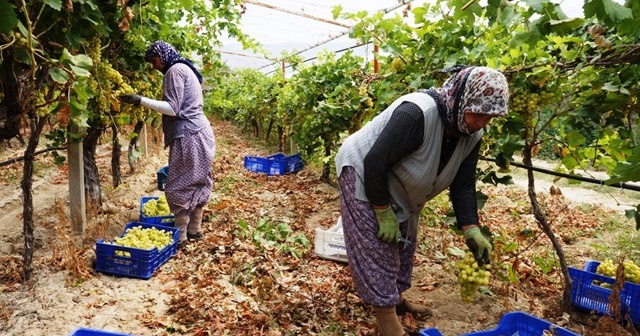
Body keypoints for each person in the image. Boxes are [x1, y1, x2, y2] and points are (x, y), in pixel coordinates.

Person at [334, 66, 509, 336]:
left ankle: (398, 300)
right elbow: (375, 161)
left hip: (399, 183)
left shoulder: (471, 134)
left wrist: (471, 228)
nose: (481, 122)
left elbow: (463, 183)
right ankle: (387, 318)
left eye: (490, 117)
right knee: (378, 243)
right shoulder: (416, 114)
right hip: (362, 170)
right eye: (478, 112)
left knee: (404, 240)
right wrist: (381, 210)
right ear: (462, 97)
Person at [120, 40, 216, 247]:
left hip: (189, 135)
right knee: (198, 180)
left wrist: (141, 100)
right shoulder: (185, 68)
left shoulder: (174, 71)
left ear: (162, 56)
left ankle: (180, 237)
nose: (153, 67)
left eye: (154, 61)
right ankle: (194, 231)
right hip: (200, 133)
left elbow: (173, 108)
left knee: (178, 185)